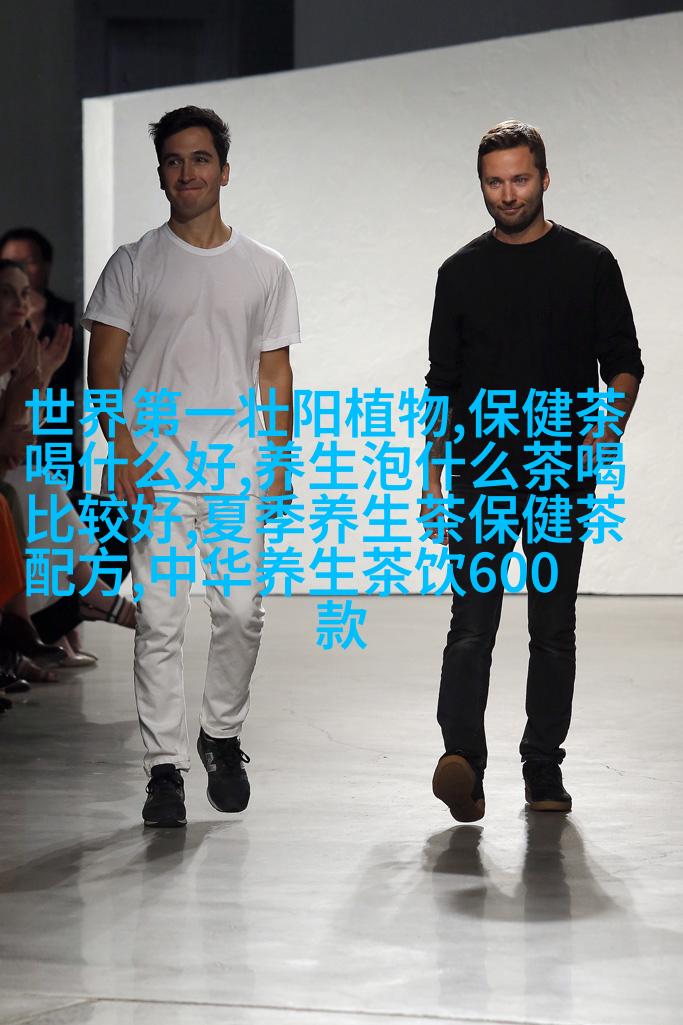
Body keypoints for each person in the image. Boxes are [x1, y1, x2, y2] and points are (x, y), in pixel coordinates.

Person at [421, 121, 644, 823]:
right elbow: (442, 383)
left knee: (551, 628)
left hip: (557, 469)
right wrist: (431, 478)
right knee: (470, 624)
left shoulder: (589, 263)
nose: (507, 193)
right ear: (481, 185)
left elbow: (624, 362)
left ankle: (542, 765)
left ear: (544, 179)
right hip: (481, 470)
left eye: (519, 178)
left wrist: (605, 431)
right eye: (494, 181)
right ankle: (462, 762)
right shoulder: (459, 272)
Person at [84, 105, 300, 828]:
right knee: (160, 617)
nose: (187, 172)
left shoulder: (265, 267)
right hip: (157, 466)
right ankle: (163, 769)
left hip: (235, 463)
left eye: (200, 159)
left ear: (224, 171)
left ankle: (220, 735)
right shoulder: (133, 263)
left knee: (240, 610)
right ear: (160, 175)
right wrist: (121, 447)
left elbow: (274, 371)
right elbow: (104, 366)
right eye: (174, 161)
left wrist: (279, 457)